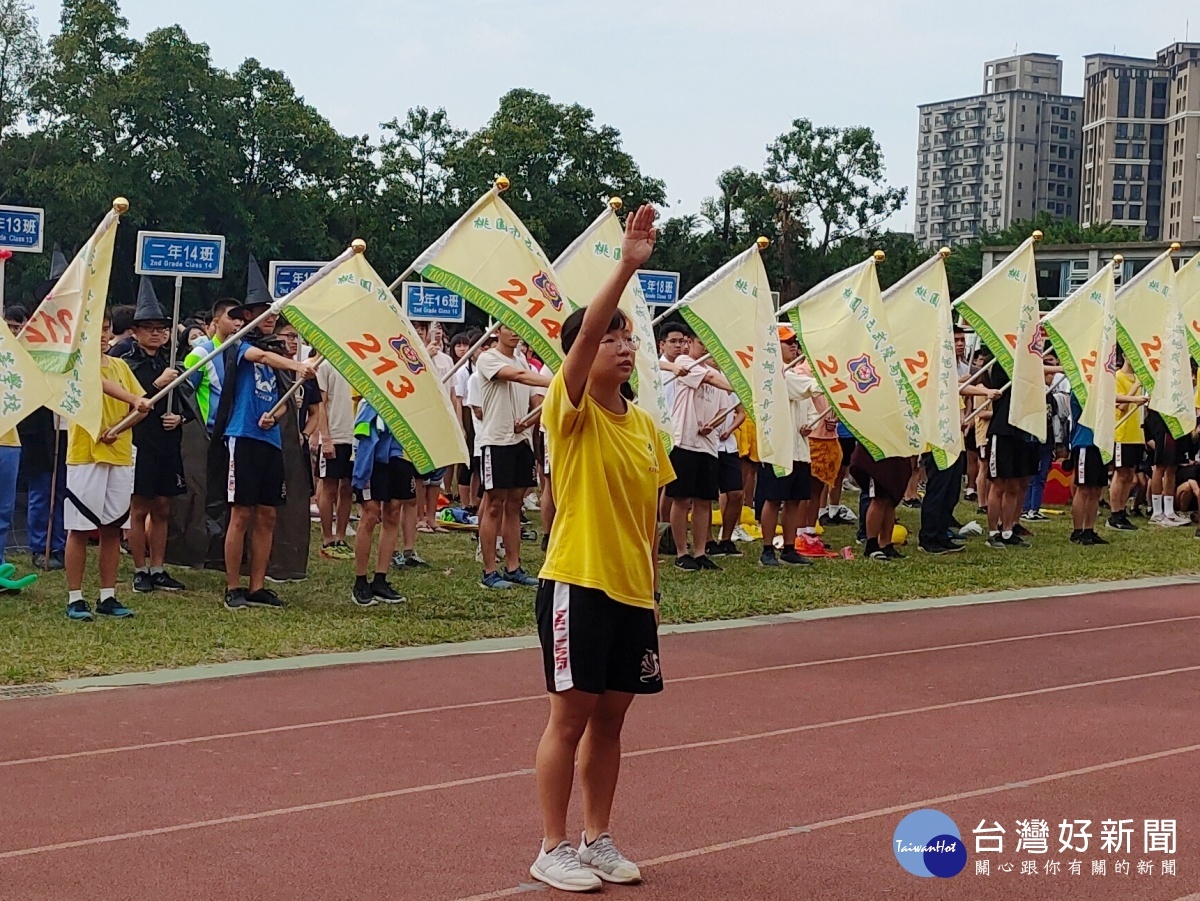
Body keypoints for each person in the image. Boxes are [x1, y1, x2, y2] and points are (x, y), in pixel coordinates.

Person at [530, 203, 670, 892]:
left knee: (612, 718)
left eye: (627, 334)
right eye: (608, 335)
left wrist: (651, 589)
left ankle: (596, 837)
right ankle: (551, 843)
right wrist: (627, 266)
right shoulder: (571, 408)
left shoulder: (645, 426)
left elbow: (649, 517)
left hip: (629, 592)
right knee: (571, 714)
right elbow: (583, 335)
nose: (620, 342)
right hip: (576, 582)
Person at [210, 257, 317, 610]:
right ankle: (232, 586)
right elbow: (263, 360)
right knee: (241, 512)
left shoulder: (278, 350)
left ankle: (258, 585)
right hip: (242, 436)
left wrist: (279, 412)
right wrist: (295, 363)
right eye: (262, 310)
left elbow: (285, 398)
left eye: (272, 311)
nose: (270, 316)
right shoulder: (239, 345)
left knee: (268, 513)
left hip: (270, 439)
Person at [64, 313, 153, 620]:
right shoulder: (76, 364)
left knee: (112, 527)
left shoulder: (120, 366)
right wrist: (134, 400)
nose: (102, 336)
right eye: (96, 330)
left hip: (119, 455)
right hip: (85, 454)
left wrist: (120, 424)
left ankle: (108, 595)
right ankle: (75, 597)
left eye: (106, 330)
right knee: (79, 527)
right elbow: (96, 384)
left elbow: (142, 405)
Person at [119, 277, 189, 593]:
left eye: (161, 328)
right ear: (135, 331)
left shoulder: (171, 362)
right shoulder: (126, 364)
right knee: (140, 507)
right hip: (140, 443)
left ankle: (159, 567)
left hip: (167, 443)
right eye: (149, 328)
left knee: (163, 506)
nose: (157, 333)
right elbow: (129, 404)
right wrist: (157, 385)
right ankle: (139, 569)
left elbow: (188, 402)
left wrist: (181, 418)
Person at [475, 324, 551, 589]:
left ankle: (513, 566)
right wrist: (558, 379)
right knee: (494, 503)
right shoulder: (489, 358)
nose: (515, 332)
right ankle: (489, 570)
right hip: (496, 441)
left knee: (515, 504)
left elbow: (535, 399)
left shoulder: (522, 359)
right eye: (508, 327)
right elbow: (517, 377)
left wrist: (529, 420)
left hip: (521, 442)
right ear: (498, 331)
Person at [662, 336, 733, 571]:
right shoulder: (686, 363)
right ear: (690, 344)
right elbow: (710, 378)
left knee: (704, 501)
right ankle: (682, 552)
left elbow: (725, 409)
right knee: (681, 499)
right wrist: (740, 385)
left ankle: (701, 551)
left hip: (709, 445)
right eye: (702, 344)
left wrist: (712, 424)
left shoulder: (717, 374)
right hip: (684, 441)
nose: (707, 349)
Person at [756, 326, 821, 567]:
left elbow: (810, 406)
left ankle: (790, 547)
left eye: (795, 342)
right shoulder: (775, 373)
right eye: (788, 342)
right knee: (773, 499)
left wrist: (809, 426)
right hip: (778, 448)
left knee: (796, 500)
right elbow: (806, 387)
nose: (794, 346)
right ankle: (767, 548)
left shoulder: (795, 374)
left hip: (800, 448)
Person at [1067, 383, 1147, 545]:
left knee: (1096, 490)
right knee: (1084, 489)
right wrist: (1133, 398)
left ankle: (1089, 530)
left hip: (1101, 443)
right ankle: (1077, 531)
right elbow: (1102, 398)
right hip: (1085, 442)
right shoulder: (1081, 387)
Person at [348, 399, 409, 606]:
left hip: (399, 452)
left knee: (393, 512)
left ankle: (380, 580)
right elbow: (362, 430)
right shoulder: (370, 396)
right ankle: (360, 581)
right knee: (370, 514)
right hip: (371, 454)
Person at [315, 357, 356, 559]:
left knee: (347, 487)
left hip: (356, 436)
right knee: (329, 486)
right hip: (334, 435)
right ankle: (327, 538)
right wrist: (325, 436)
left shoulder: (358, 365)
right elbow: (320, 404)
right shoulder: (326, 365)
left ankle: (340, 536)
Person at [185, 298, 242, 434]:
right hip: (210, 430)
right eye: (232, 318)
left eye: (241, 318)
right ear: (216, 322)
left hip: (239, 429)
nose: (238, 323)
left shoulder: (245, 351)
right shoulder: (201, 353)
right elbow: (187, 393)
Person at [1108, 353, 1145, 530]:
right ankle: (1114, 513)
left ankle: (1122, 511)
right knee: (1120, 473)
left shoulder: (1139, 377)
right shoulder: (1117, 376)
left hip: (1136, 433)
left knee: (1130, 475)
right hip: (1121, 432)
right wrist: (1136, 388)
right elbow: (1121, 405)